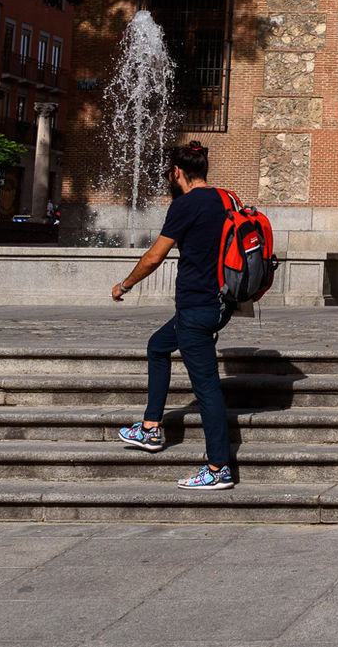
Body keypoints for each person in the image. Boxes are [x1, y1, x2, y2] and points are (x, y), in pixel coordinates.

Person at [111, 142, 237, 490]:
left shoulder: (186, 204)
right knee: (158, 346)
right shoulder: (227, 198)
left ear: (177, 172)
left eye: (170, 173)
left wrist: (125, 284)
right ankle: (150, 428)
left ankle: (218, 467)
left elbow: (154, 256)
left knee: (207, 389)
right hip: (221, 303)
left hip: (197, 307)